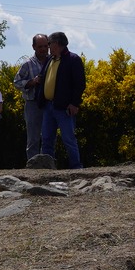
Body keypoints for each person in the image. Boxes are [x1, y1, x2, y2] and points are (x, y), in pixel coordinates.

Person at [38, 31, 86, 169]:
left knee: (68, 139)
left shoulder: (73, 59)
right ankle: (46, 168)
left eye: (49, 44)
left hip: (64, 107)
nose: (48, 47)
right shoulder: (49, 60)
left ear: (57, 44)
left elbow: (80, 84)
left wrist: (74, 103)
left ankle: (76, 167)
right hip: (48, 106)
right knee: (46, 139)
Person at [14, 34, 51, 166]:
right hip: (33, 103)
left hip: (49, 103)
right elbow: (16, 82)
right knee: (33, 137)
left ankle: (47, 164)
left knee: (48, 136)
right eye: (40, 46)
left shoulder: (53, 61)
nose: (43, 49)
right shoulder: (27, 64)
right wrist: (32, 82)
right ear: (34, 47)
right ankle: (33, 166)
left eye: (46, 46)